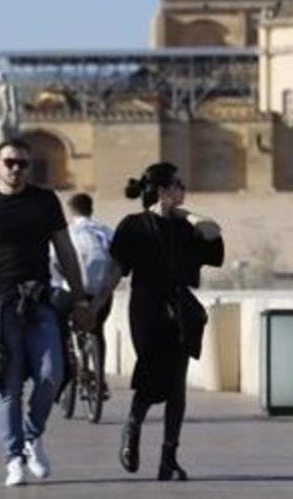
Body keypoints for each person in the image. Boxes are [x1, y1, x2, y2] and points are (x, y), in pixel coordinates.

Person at [0, 137, 92, 487]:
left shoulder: (45, 201)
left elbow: (65, 251)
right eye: (10, 162)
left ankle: (32, 435)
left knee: (53, 374)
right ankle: (13, 458)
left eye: (23, 164)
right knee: (9, 385)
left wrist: (80, 299)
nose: (16, 169)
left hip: (40, 300)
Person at [91, 162, 223, 481]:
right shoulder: (133, 226)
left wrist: (184, 213)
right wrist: (95, 305)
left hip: (179, 310)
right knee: (151, 371)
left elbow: (213, 232)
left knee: (176, 384)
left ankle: (169, 459)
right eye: (178, 184)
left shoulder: (184, 227)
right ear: (163, 189)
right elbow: (114, 271)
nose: (184, 188)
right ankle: (133, 425)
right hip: (147, 307)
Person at [50, 192, 115, 393]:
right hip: (99, 293)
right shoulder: (105, 232)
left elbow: (53, 263)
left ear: (70, 210)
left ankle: (70, 368)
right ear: (91, 209)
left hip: (70, 293)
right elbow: (116, 262)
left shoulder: (66, 232)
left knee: (60, 329)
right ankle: (99, 378)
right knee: (97, 331)